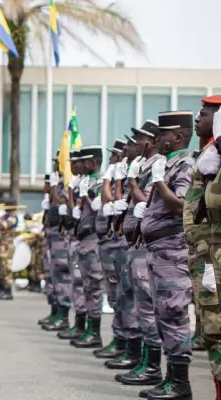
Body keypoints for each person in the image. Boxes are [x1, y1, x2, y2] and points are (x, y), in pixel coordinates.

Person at [132, 111, 195, 399]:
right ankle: (170, 377)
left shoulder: (184, 165)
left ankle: (180, 383)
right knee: (162, 314)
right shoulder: (168, 164)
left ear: (179, 136)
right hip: (158, 250)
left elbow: (179, 206)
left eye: (165, 135)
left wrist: (158, 183)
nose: (160, 140)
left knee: (174, 313)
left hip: (172, 250)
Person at [108, 121, 163, 374]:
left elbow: (149, 202)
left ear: (150, 141)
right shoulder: (142, 166)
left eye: (138, 140)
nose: (133, 145)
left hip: (148, 244)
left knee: (145, 306)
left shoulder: (158, 167)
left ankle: (150, 364)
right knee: (133, 301)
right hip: (134, 243)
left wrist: (130, 182)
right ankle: (139, 356)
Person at [93, 138, 131, 359]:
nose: (111, 160)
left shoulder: (125, 178)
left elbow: (112, 202)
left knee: (125, 298)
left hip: (120, 243)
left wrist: (112, 180)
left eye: (114, 156)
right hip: (109, 243)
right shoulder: (121, 177)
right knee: (116, 296)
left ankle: (129, 346)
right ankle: (119, 339)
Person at [194, 95, 221, 397]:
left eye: (205, 114)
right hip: (206, 251)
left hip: (212, 250)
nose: (198, 119)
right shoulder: (208, 153)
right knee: (212, 329)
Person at [69, 145, 106, 349]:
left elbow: (98, 209)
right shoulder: (85, 181)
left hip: (93, 238)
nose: (78, 165)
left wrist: (85, 196)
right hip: (83, 238)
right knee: (86, 285)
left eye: (82, 162)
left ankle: (95, 331)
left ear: (91, 163)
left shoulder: (100, 182)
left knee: (94, 286)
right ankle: (87, 328)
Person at [42, 150, 78, 332]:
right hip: (52, 235)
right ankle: (55, 310)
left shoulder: (68, 183)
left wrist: (55, 187)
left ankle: (63, 316)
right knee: (52, 274)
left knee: (62, 276)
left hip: (61, 237)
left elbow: (60, 202)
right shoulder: (62, 182)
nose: (57, 164)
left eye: (60, 161)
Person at [57, 150, 89, 340]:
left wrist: (71, 193)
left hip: (85, 239)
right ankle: (77, 323)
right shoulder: (77, 183)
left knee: (83, 284)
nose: (73, 167)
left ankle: (84, 327)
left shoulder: (91, 183)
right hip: (74, 238)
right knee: (76, 283)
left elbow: (80, 209)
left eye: (77, 163)